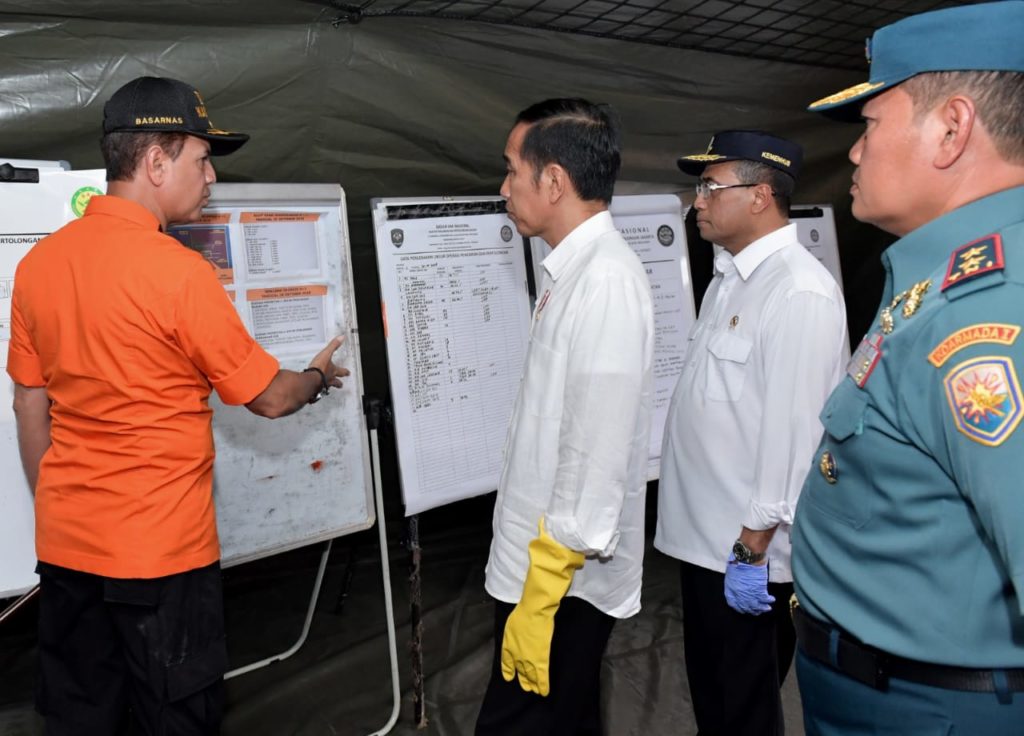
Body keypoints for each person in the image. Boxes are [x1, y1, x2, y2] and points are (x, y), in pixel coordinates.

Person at [7, 76, 349, 735]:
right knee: (177, 719)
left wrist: (57, 505)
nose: (211, 176)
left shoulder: (40, 265)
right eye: (202, 158)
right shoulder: (179, 272)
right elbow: (269, 398)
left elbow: (30, 403)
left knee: (81, 719)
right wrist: (315, 375)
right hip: (161, 561)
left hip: (67, 551)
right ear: (156, 162)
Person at [790, 2, 1024, 733]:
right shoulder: (948, 280)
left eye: (870, 124)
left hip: (927, 709)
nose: (856, 153)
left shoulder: (989, 317)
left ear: (952, 129)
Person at [656, 131, 848, 736]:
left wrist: (750, 550)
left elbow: (796, 436)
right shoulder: (729, 277)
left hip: (747, 557)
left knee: (744, 714)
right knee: (716, 708)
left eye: (710, 187)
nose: (697, 201)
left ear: (761, 195)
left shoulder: (798, 291)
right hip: (704, 546)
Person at [474, 98, 654, 736]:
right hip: (543, 570)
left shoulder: (605, 281)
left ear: (553, 181)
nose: (504, 188)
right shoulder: (574, 271)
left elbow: (595, 449)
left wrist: (543, 593)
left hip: (559, 583)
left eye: (511, 170)